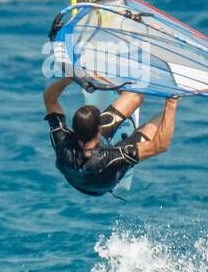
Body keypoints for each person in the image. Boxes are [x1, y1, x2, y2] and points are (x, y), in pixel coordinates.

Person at [43, 77, 179, 196]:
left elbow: (49, 99)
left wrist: (71, 77)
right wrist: (171, 105)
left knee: (135, 97)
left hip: (76, 177)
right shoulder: (111, 157)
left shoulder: (63, 141)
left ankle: (120, 83)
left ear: (73, 130)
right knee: (162, 120)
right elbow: (159, 146)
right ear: (99, 128)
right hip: (102, 182)